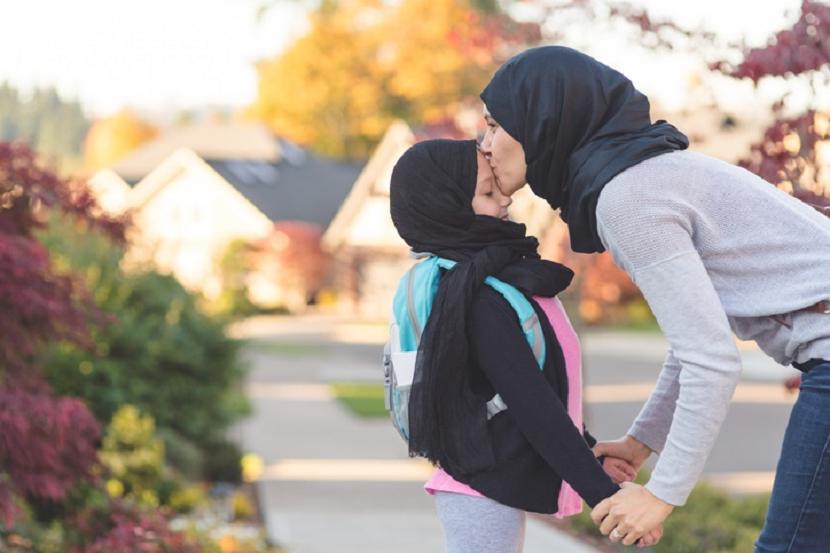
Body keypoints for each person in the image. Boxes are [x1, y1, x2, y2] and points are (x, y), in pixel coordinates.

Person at [478, 45, 830, 551]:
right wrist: (643, 442)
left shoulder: (628, 200)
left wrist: (662, 495)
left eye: (494, 125)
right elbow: (695, 341)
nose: (484, 143)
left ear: (543, 120)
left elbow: (710, 361)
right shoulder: (644, 179)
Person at [388, 138, 660, 552]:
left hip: (489, 483)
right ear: (447, 205)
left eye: (497, 186)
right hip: (479, 488)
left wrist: (593, 455)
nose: (505, 200)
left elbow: (538, 391)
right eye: (485, 192)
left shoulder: (497, 280)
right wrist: (608, 499)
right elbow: (533, 406)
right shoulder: (475, 297)